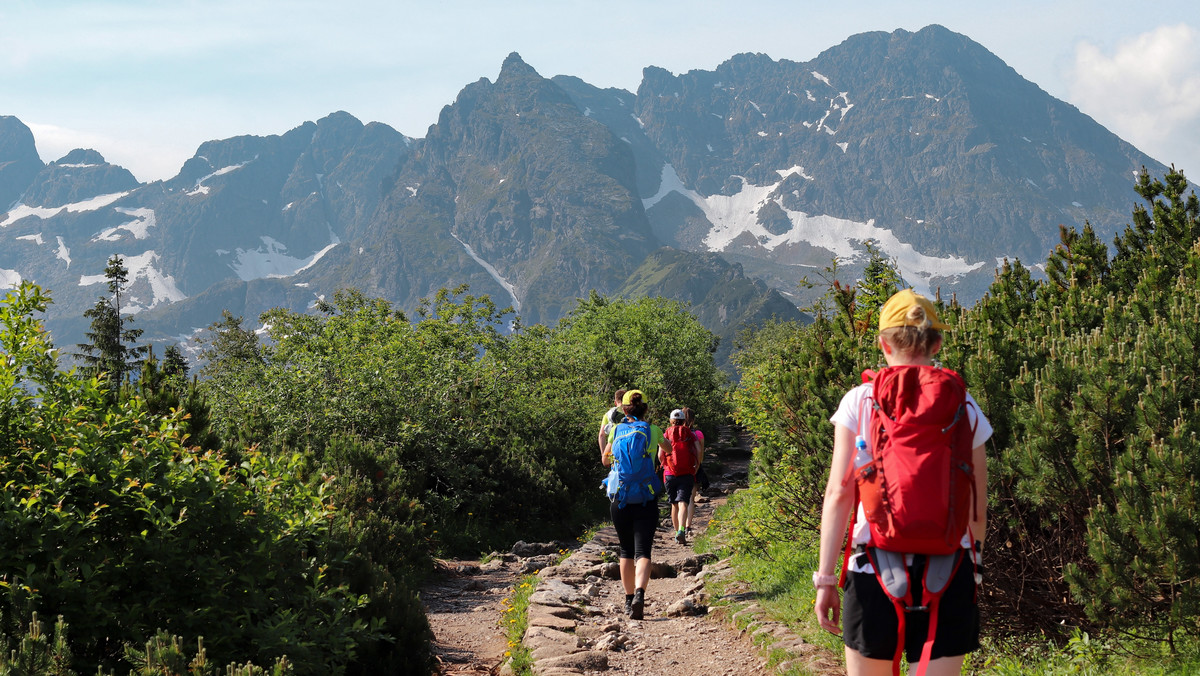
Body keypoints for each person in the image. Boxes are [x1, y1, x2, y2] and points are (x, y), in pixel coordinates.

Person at [814, 289, 991, 676]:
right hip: (950, 570)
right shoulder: (964, 403)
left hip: (872, 570)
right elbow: (978, 501)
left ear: (882, 343)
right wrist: (974, 568)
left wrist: (826, 578)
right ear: (937, 342)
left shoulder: (859, 401)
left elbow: (839, 492)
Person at [602, 389, 671, 620]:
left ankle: (628, 599)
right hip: (646, 497)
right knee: (643, 550)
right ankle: (641, 594)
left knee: (625, 550)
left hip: (620, 498)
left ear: (623, 409)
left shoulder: (616, 430)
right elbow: (669, 449)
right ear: (646, 408)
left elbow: (605, 459)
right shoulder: (653, 430)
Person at [660, 408, 699, 544]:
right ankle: (682, 529)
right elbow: (698, 450)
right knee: (683, 502)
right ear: (683, 421)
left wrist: (664, 465)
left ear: (671, 421)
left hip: (669, 473)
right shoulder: (689, 433)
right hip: (687, 472)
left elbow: (660, 455)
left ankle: (677, 532)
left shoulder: (666, 433)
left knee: (674, 504)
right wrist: (696, 465)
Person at [682, 407, 706, 534]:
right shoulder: (698, 434)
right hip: (693, 468)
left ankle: (679, 527)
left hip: (678, 469)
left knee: (679, 499)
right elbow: (700, 452)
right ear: (693, 419)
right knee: (691, 498)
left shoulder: (674, 432)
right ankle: (688, 526)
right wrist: (697, 466)